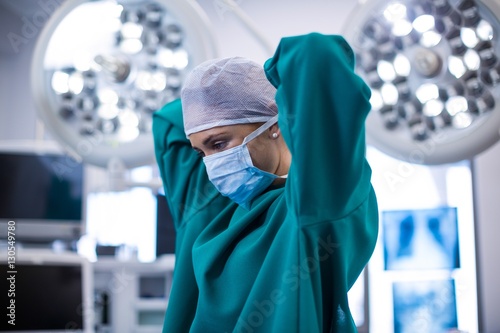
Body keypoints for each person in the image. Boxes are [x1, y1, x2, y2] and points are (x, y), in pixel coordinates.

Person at [152, 32, 379, 333]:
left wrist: (271, 83)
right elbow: (168, 123)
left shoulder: (312, 206)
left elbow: (315, 54)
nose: (210, 165)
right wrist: (215, 92)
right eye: (200, 152)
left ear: (273, 125)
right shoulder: (214, 215)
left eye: (218, 144)